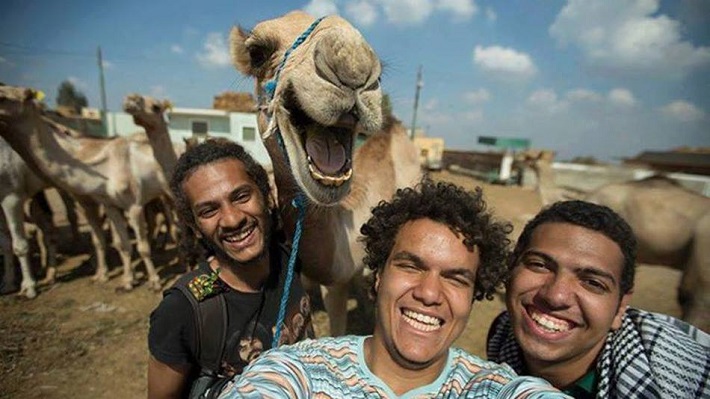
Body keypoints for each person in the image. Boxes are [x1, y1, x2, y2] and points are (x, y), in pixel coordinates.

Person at [212, 180, 571, 398]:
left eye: (455, 278)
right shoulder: (300, 370)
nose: (429, 293)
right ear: (378, 276)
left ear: (473, 295)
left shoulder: (492, 388)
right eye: (411, 266)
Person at [487, 200, 710, 398]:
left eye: (593, 283)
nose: (556, 296)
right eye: (539, 265)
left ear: (621, 307)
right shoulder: (503, 335)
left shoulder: (679, 379)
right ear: (511, 269)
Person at [148, 139, 313, 399]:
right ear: (194, 227)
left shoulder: (289, 259)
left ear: (266, 197)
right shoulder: (183, 310)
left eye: (241, 196)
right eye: (209, 210)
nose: (233, 219)